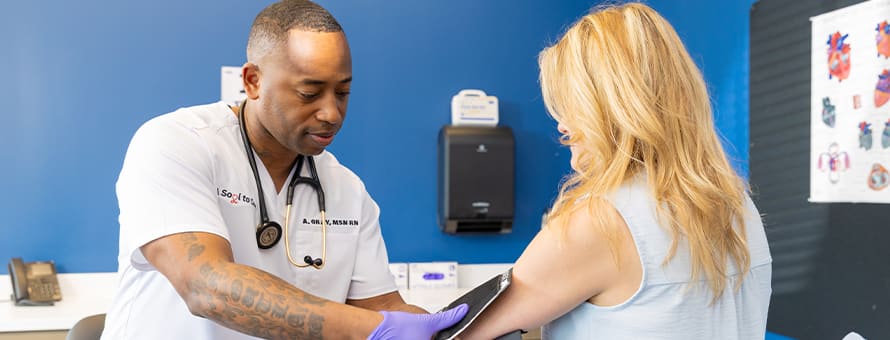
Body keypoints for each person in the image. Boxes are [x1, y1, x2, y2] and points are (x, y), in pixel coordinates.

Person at [101, 1, 466, 339]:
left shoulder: (346, 190)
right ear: (253, 81)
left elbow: (384, 309)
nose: (332, 114)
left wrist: (451, 329)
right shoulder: (175, 143)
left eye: (342, 93)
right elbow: (205, 288)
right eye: (310, 93)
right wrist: (373, 328)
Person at [458, 3, 772, 339]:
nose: (562, 126)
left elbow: (461, 332)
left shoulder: (600, 221)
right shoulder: (738, 207)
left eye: (571, 105)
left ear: (611, 107)